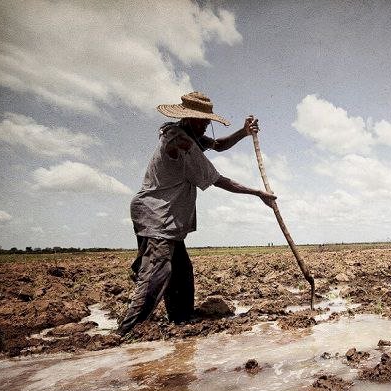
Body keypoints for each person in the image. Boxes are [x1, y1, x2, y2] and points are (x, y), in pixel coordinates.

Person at [118, 91, 276, 337]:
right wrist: (257, 193)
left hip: (165, 218)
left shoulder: (191, 136)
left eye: (207, 120)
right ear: (187, 118)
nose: (205, 124)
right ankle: (126, 332)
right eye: (201, 120)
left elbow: (219, 145)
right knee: (157, 273)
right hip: (156, 216)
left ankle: (180, 323)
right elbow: (217, 179)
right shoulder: (181, 141)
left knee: (181, 273)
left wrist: (244, 132)